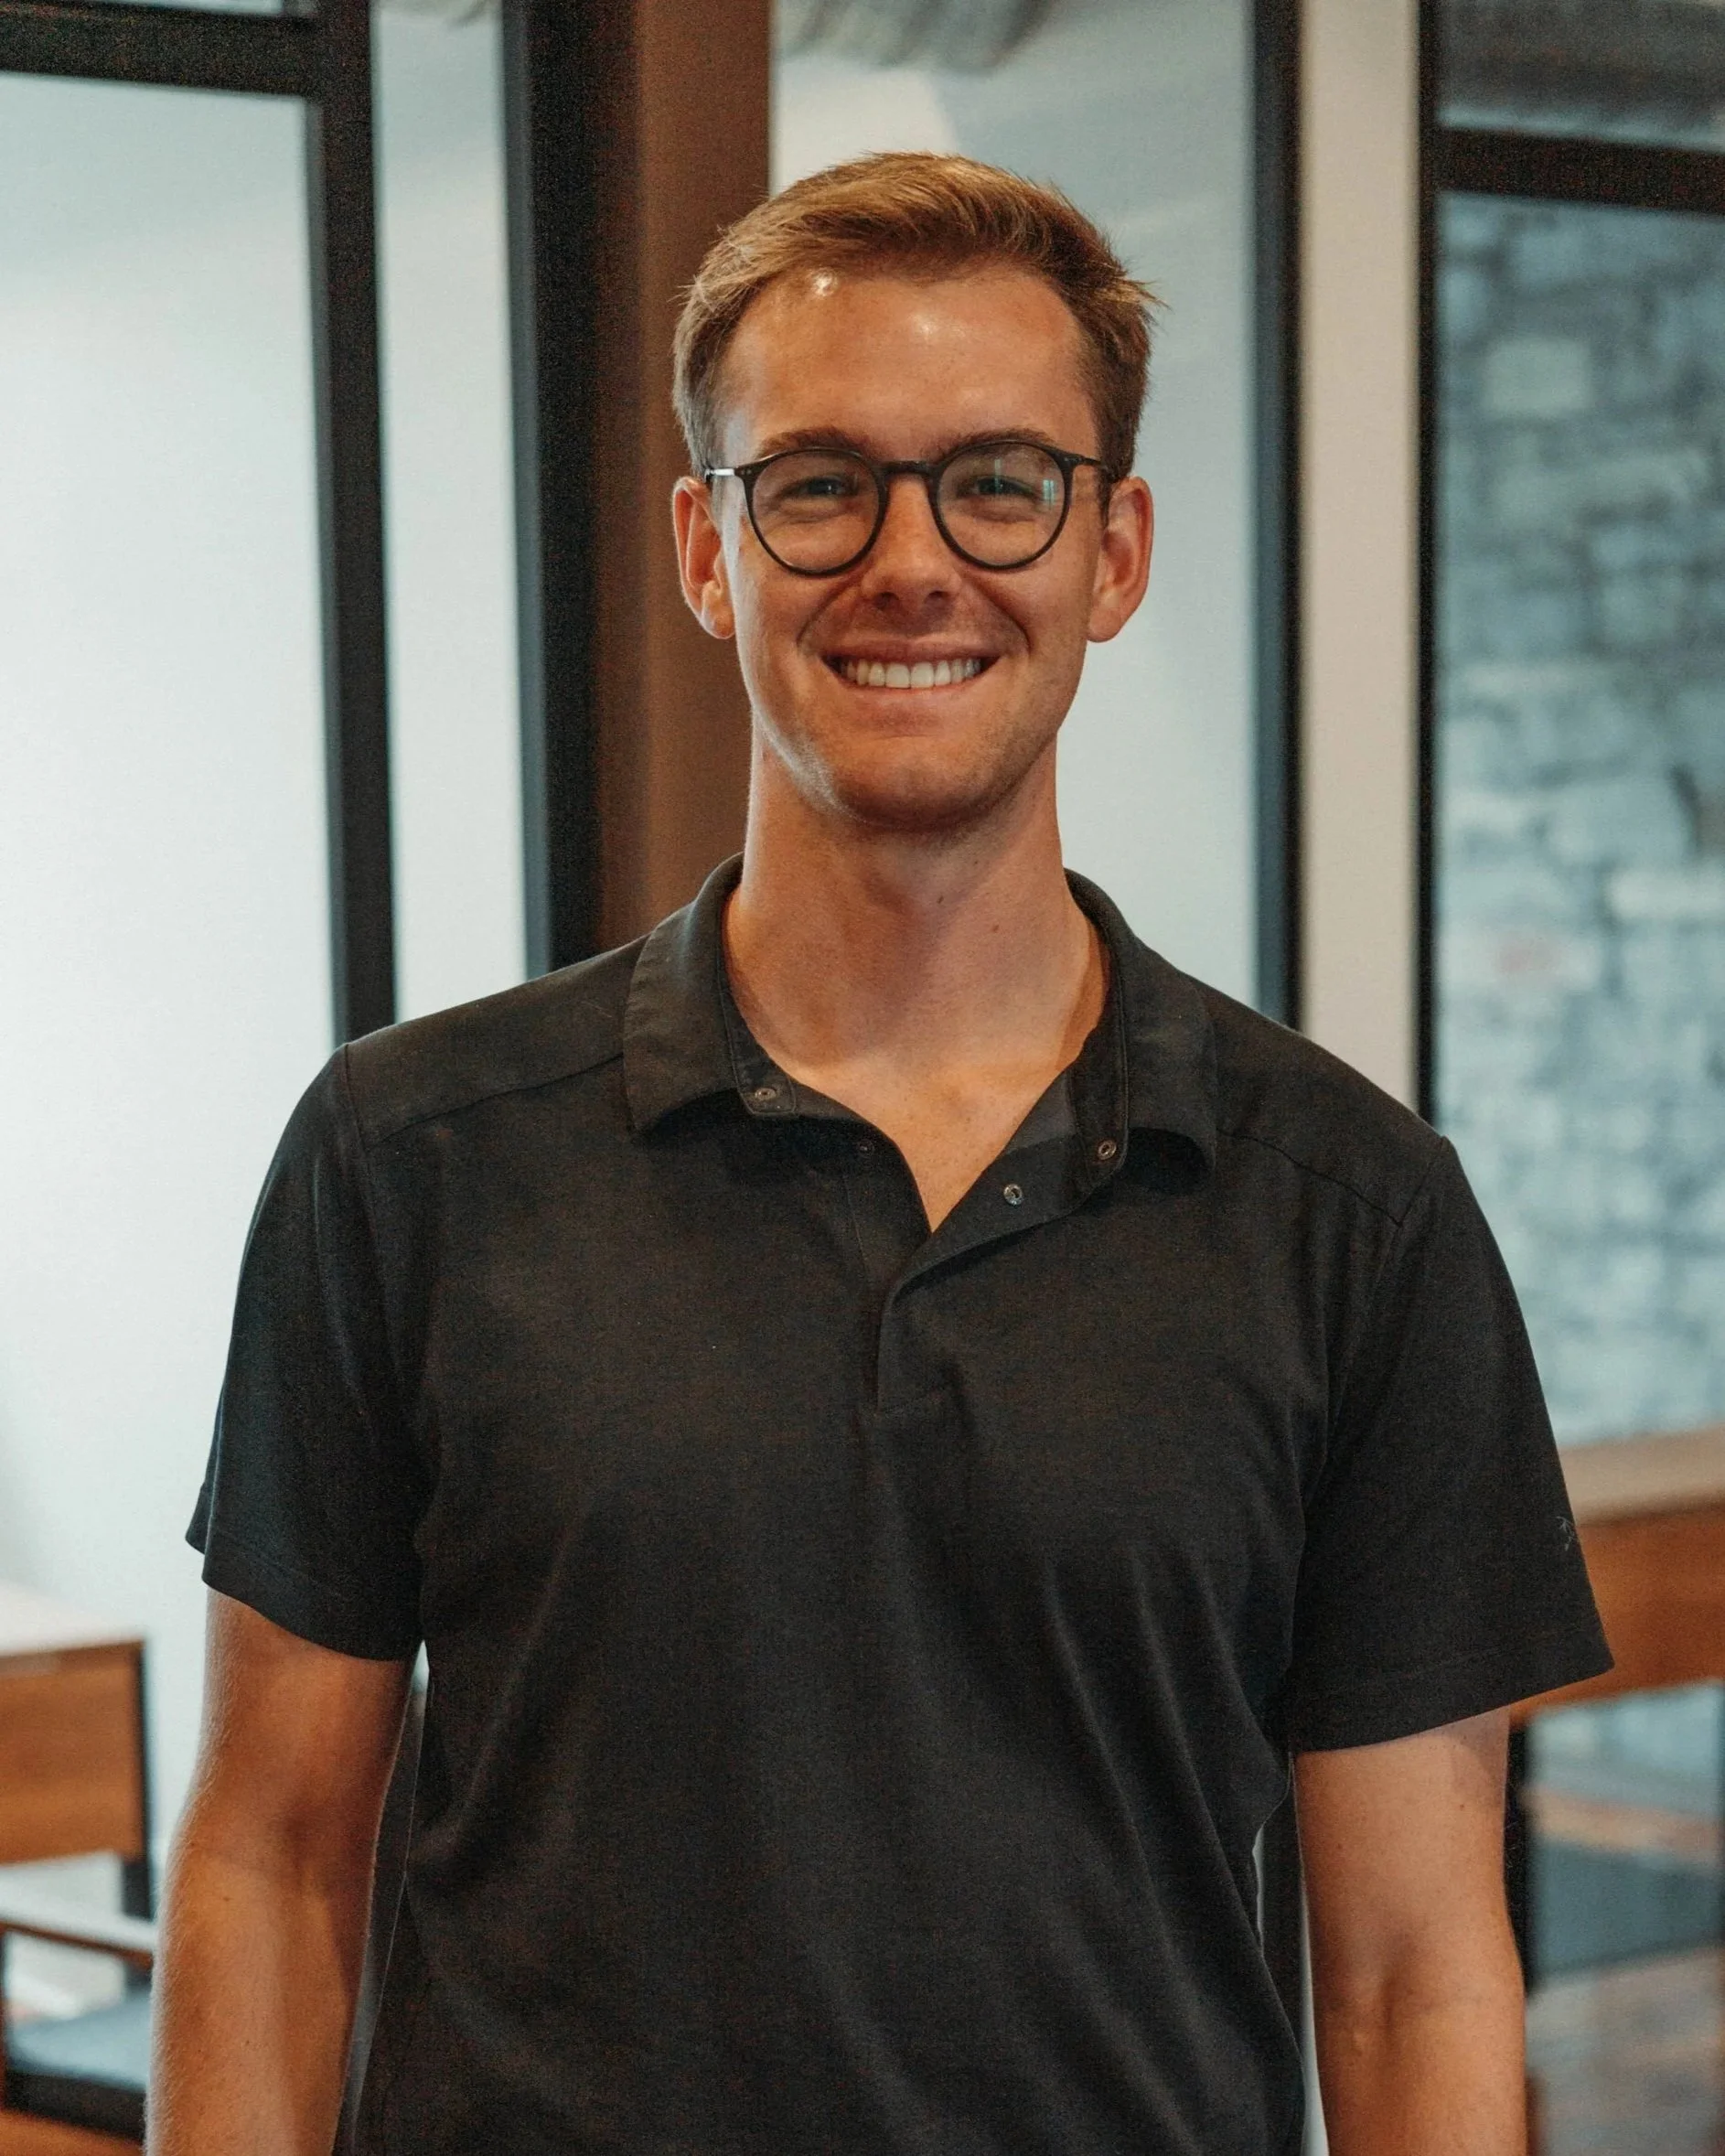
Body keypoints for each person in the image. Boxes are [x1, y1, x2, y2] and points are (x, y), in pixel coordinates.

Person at [153, 152, 1608, 2156]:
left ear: (1113, 553)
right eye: (819, 483)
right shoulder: (406, 1159)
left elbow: (1410, 1963)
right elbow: (266, 1862)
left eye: (999, 480)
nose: (910, 562)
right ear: (704, 548)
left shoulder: (1350, 1215)